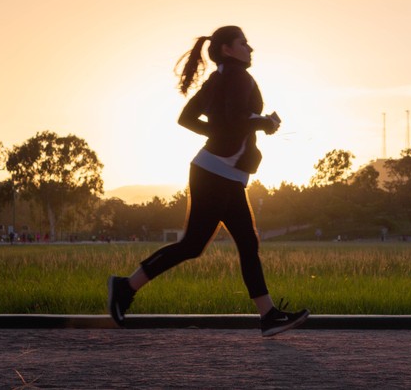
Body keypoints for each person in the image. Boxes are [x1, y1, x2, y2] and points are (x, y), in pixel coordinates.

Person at [108, 26, 309, 337]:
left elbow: (187, 118)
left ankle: (268, 315)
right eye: (244, 43)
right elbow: (234, 119)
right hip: (216, 173)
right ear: (228, 49)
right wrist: (265, 123)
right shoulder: (237, 78)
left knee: (244, 243)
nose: (250, 48)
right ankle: (125, 287)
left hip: (220, 172)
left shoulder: (219, 78)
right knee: (195, 245)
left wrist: (221, 134)